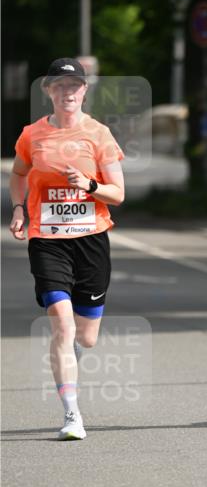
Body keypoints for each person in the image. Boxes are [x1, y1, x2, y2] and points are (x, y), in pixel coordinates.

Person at [9, 58, 125, 440]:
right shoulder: (32, 135)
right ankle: (72, 414)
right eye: (59, 86)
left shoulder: (100, 134)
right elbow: (19, 174)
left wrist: (88, 185)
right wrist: (19, 208)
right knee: (62, 323)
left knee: (85, 337)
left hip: (91, 241)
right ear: (48, 91)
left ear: (84, 91)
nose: (67, 93)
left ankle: (70, 358)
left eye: (73, 87)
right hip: (48, 241)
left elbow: (118, 194)